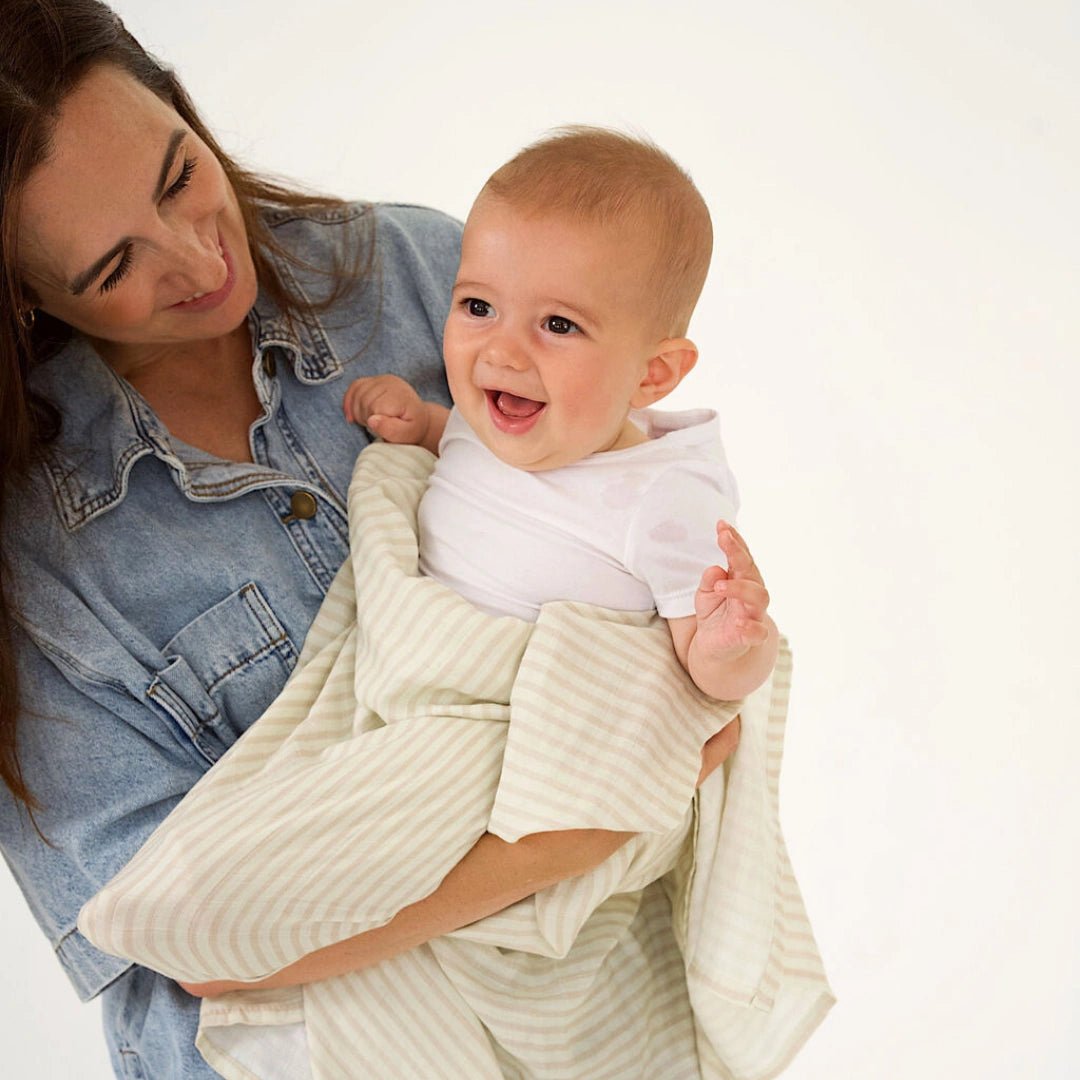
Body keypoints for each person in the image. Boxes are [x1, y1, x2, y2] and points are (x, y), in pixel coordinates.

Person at [0, 3, 741, 1077]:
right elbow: (182, 947)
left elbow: (660, 599)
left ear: (180, 104)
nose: (197, 257)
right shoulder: (34, 564)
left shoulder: (427, 273)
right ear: (24, 299)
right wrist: (566, 834)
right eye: (114, 267)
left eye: (178, 176)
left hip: (590, 1009)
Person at [344, 127, 778, 702]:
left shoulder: (664, 499)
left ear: (652, 374)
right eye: (479, 306)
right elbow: (455, 447)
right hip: (405, 682)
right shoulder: (481, 420)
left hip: (521, 720)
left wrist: (732, 645)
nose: (502, 352)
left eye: (558, 325)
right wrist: (420, 424)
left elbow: (711, 682)